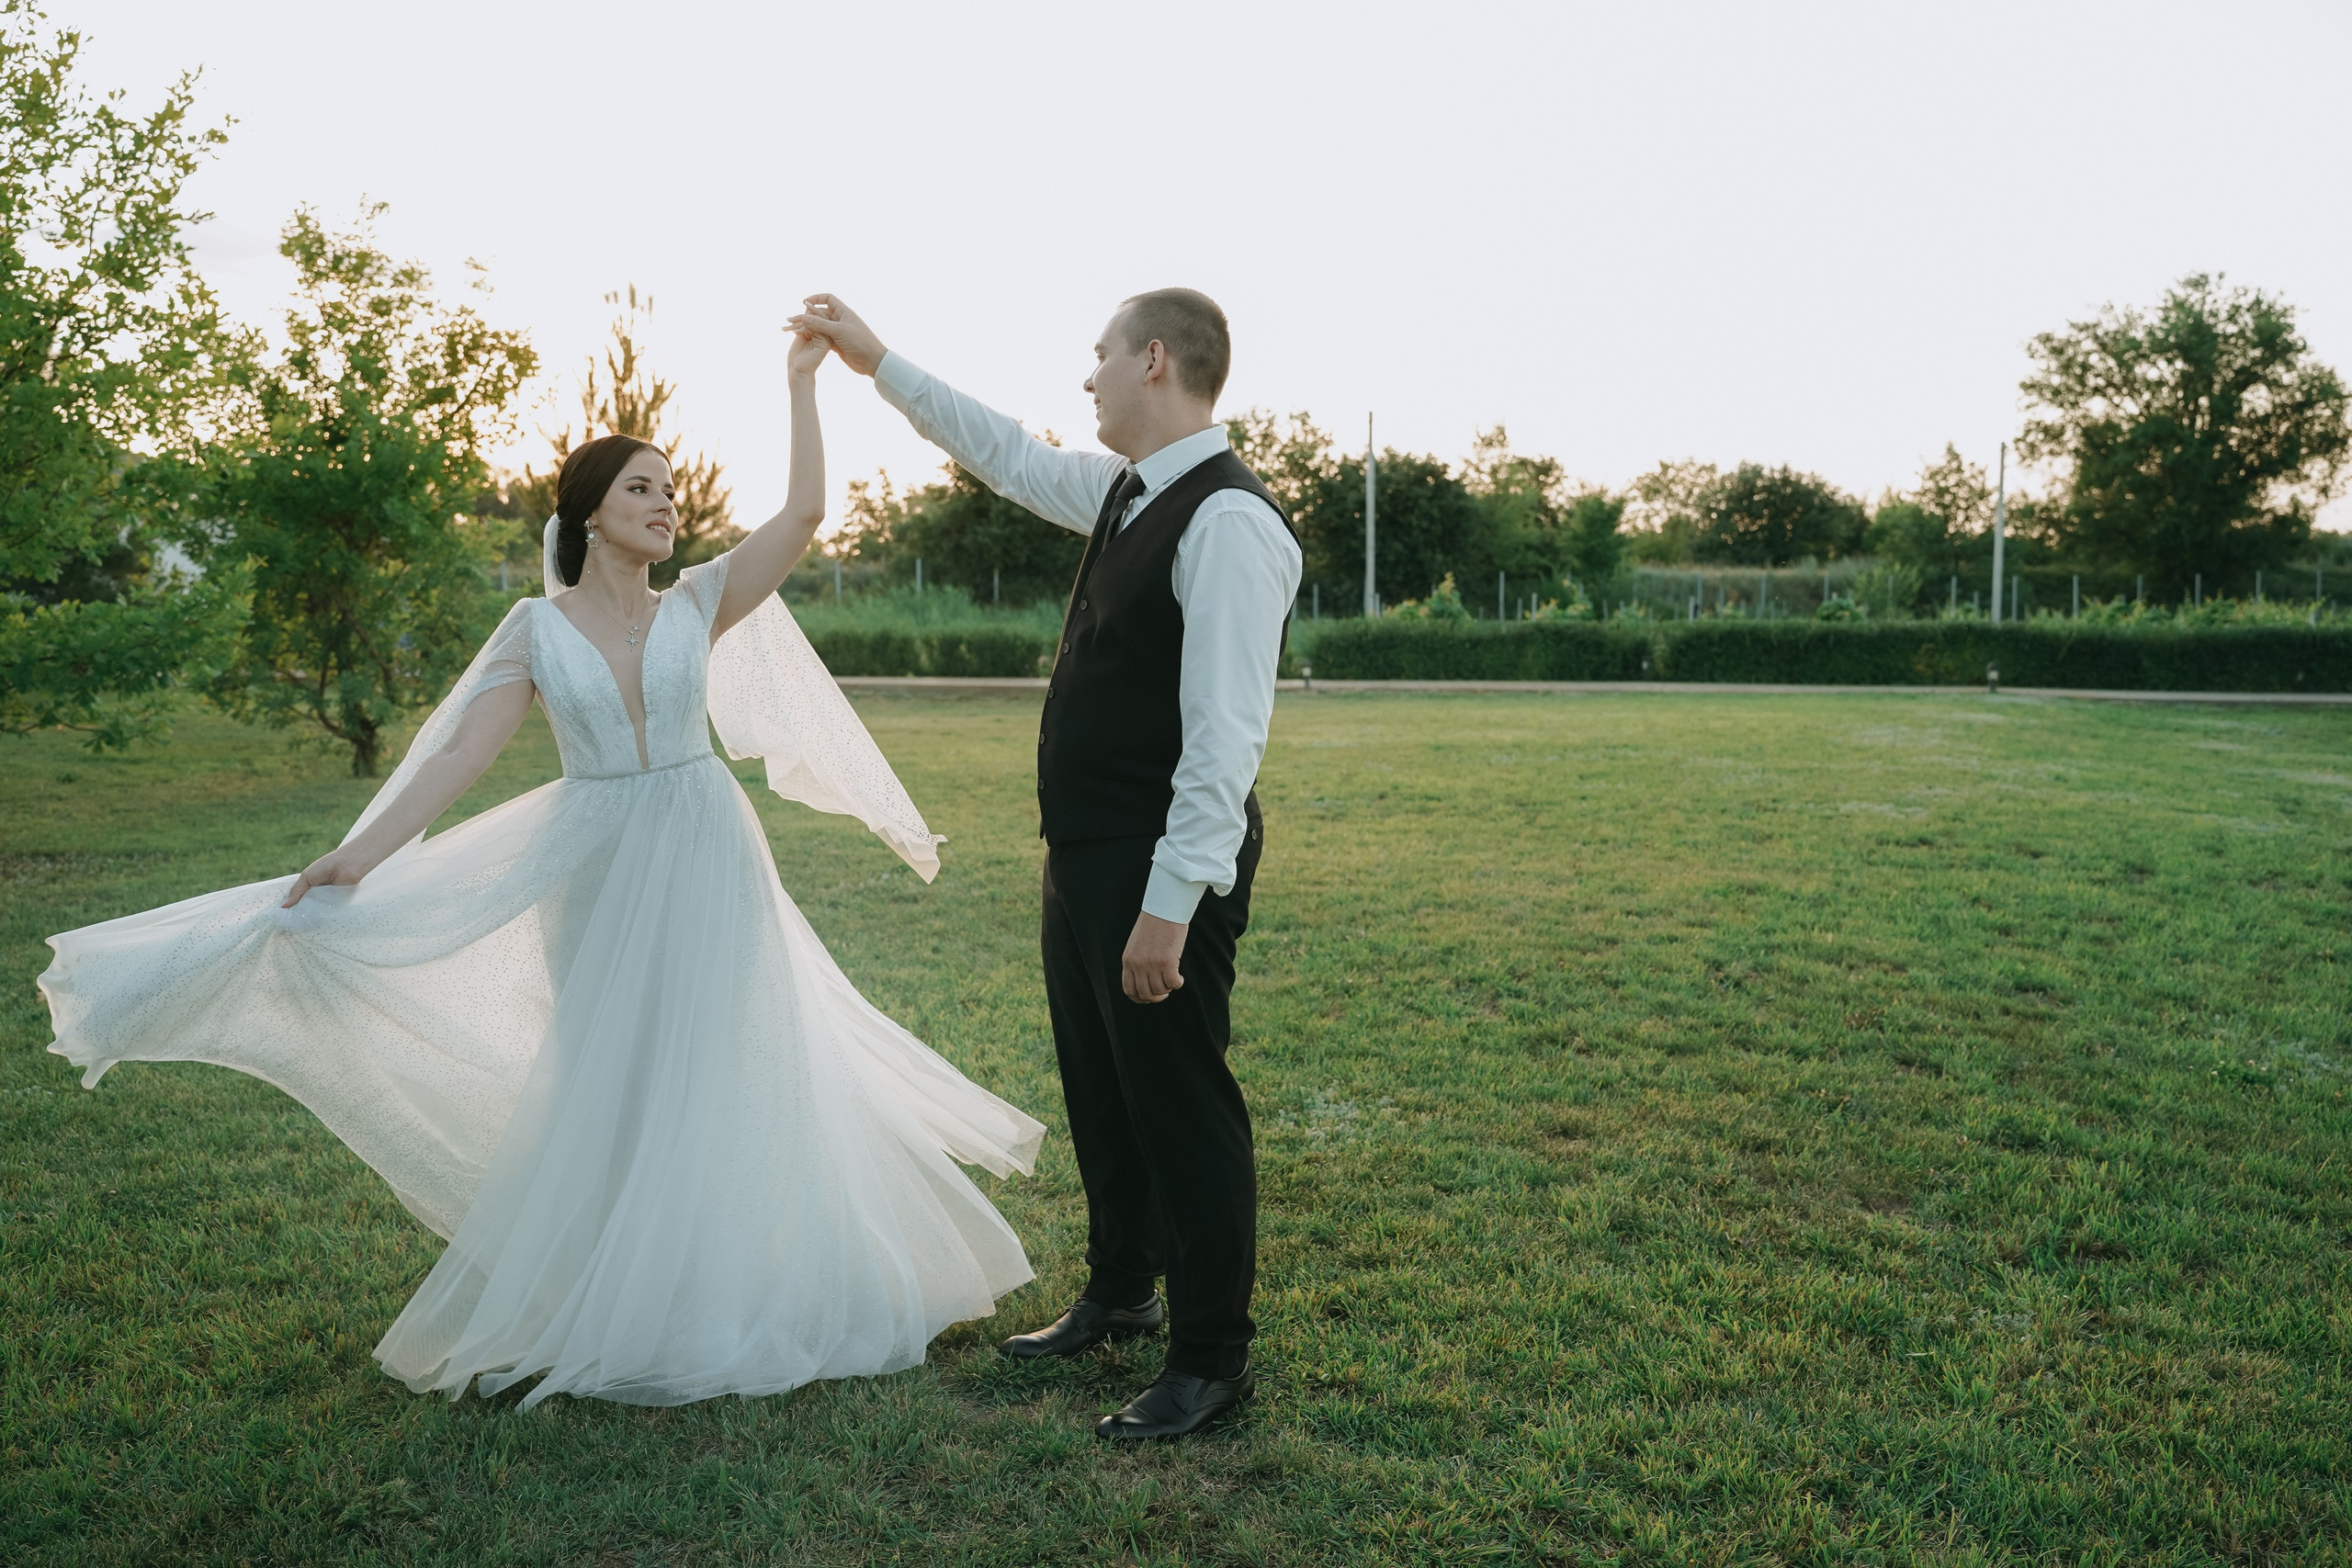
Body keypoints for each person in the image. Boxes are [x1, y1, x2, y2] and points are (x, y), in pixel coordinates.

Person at [39, 323, 1045, 1408]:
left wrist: (801, 383)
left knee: (721, 1061)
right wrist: (357, 855)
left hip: (705, 851)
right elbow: (460, 755)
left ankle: (734, 1280)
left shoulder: (698, 603)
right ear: (589, 513)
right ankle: (620, 1291)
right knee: (612, 1073)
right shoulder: (534, 628)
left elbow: (803, 515)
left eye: (670, 490)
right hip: (595, 866)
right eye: (641, 490)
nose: (666, 504)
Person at [789, 289, 1302, 1440]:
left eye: (1101, 355)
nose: (1088, 378)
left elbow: (1225, 741)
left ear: (1154, 361)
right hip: (1082, 852)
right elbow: (1008, 456)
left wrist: (1168, 909)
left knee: (1181, 1104)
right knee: (1105, 1093)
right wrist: (879, 363)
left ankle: (1212, 1360)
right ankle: (1120, 1292)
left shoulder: (1227, 522)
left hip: (1157, 862)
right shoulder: (1129, 492)